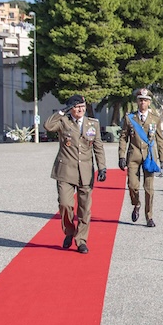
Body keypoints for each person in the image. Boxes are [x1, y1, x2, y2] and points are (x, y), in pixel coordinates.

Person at [44, 94, 107, 253]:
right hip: (65, 171)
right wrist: (62, 112)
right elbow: (47, 126)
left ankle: (81, 241)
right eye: (77, 106)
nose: (81, 109)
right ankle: (69, 231)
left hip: (85, 172)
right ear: (71, 108)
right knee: (65, 204)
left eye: (83, 106)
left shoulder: (92, 124)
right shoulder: (63, 122)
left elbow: (98, 146)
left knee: (84, 209)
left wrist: (102, 167)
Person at [119, 87, 163, 228]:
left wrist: (162, 158)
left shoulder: (155, 119)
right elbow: (123, 138)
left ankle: (149, 216)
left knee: (149, 189)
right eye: (140, 100)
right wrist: (121, 156)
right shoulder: (129, 118)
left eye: (145, 100)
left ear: (149, 102)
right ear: (137, 102)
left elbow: (160, 139)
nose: (142, 103)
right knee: (132, 186)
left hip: (149, 156)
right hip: (133, 155)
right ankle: (136, 204)